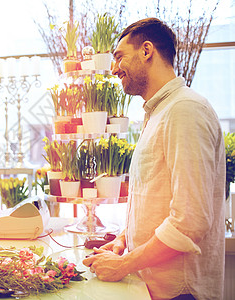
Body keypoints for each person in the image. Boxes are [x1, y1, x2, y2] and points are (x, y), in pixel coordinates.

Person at [83, 18, 225, 300]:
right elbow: (154, 200)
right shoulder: (159, 112)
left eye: (119, 56)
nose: (113, 69)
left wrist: (124, 264)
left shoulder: (184, 110)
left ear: (147, 51)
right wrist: (124, 240)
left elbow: (190, 221)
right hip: (154, 287)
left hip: (180, 292)